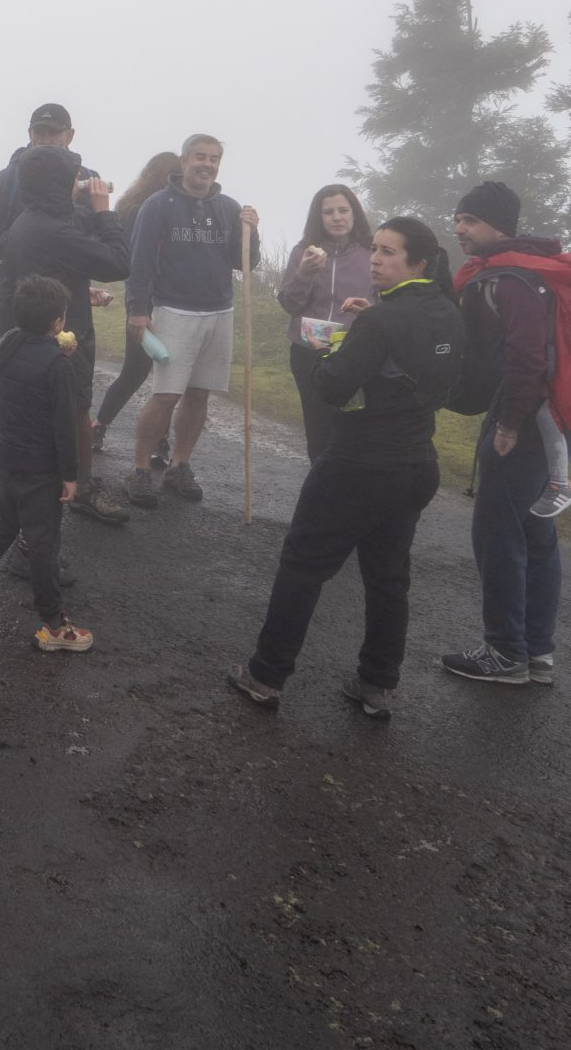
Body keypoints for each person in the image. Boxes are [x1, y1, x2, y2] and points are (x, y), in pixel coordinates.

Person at [227, 217, 464, 718]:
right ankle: (377, 685)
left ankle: (266, 676)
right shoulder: (447, 310)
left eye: (389, 252)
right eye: (375, 248)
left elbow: (333, 387)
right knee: (388, 578)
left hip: (358, 463)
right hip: (417, 463)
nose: (375, 259)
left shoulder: (382, 321)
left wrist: (330, 349)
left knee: (302, 566)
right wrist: (371, 324)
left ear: (419, 263)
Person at [441, 182, 571, 686]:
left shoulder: (510, 280)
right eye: (458, 218)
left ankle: (504, 653)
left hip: (527, 421)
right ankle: (537, 652)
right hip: (556, 420)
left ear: (498, 226)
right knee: (535, 532)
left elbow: (527, 358)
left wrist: (509, 424)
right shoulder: (534, 270)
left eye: (470, 220)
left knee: (497, 532)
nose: (459, 228)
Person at [0, 274, 94, 653]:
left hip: (8, 457)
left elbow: (27, 374)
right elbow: (64, 425)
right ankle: (54, 626)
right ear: (57, 323)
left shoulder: (7, 346)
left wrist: (54, 351)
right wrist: (70, 475)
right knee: (43, 544)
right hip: (41, 471)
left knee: (1, 522)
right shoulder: (58, 366)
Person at [120, 134, 259, 508]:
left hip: (219, 310)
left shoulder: (229, 207)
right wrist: (138, 310)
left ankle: (180, 465)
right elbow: (140, 262)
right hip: (174, 310)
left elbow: (243, 261)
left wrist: (252, 231)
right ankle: (139, 469)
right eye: (200, 156)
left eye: (214, 159)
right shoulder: (157, 205)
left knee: (199, 394)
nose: (207, 164)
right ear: (184, 161)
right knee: (166, 395)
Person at [1, 144, 132, 525]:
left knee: (45, 413)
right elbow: (119, 263)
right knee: (73, 412)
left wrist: (77, 289)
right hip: (60, 340)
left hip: (34, 331)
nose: (80, 183)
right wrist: (104, 211)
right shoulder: (56, 229)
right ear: (56, 184)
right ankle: (76, 491)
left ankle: (33, 500)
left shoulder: (28, 219)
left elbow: (41, 272)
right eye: (74, 178)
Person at [275, 184, 374, 463]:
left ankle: (351, 486)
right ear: (318, 218)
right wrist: (304, 274)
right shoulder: (302, 252)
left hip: (354, 352)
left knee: (355, 426)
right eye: (328, 212)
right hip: (308, 352)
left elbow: (383, 304)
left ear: (354, 214)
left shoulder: (371, 252)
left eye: (343, 210)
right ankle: (320, 483)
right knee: (318, 428)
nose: (337, 217)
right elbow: (290, 305)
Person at [93, 150, 181, 460]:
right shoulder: (144, 210)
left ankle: (106, 428)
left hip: (153, 298)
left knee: (144, 371)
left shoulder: (131, 206)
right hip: (149, 298)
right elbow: (135, 258)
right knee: (146, 371)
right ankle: (107, 427)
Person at [0, 103, 80, 335]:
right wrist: (27, 240)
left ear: (70, 135)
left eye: (54, 132)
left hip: (71, 304)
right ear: (29, 134)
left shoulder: (86, 181)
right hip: (17, 304)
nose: (46, 140)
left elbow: (95, 242)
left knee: (68, 359)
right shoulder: (4, 181)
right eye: (39, 132)